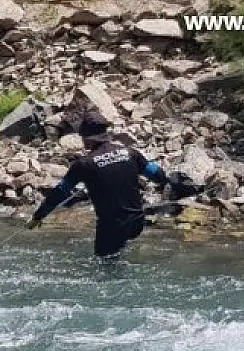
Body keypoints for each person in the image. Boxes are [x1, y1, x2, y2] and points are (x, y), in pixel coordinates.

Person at [25, 110, 186, 258]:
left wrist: (38, 216)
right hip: (137, 223)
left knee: (105, 267)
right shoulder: (131, 153)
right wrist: (174, 184)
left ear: (86, 138)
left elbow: (60, 192)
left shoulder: (84, 164)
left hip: (111, 229)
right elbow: (157, 175)